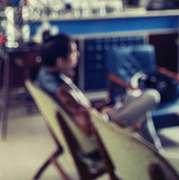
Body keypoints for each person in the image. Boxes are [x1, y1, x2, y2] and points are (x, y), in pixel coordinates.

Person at [34, 33, 163, 150]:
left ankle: (160, 157)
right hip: (105, 128)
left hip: (99, 118)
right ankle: (160, 158)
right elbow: (88, 128)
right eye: (73, 52)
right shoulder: (63, 91)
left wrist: (101, 109)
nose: (78, 54)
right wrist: (107, 115)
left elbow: (82, 111)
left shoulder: (47, 76)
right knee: (152, 96)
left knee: (133, 97)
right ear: (60, 61)